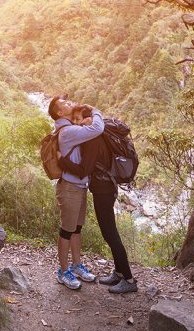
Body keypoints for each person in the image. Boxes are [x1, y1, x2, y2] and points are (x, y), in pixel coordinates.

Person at [59, 120, 138, 294]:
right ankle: (118, 273)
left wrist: (62, 161)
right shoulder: (99, 136)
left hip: (103, 190)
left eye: (81, 118)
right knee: (109, 232)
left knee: (110, 233)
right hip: (106, 187)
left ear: (89, 120)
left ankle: (129, 279)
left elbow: (84, 169)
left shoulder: (93, 139)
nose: (78, 122)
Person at [47, 95, 101, 290]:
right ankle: (63, 271)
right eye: (65, 104)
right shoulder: (67, 131)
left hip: (78, 185)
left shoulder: (70, 127)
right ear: (59, 113)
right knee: (66, 230)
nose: (70, 104)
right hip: (69, 187)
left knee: (76, 228)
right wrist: (94, 111)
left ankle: (76, 265)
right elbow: (97, 129)